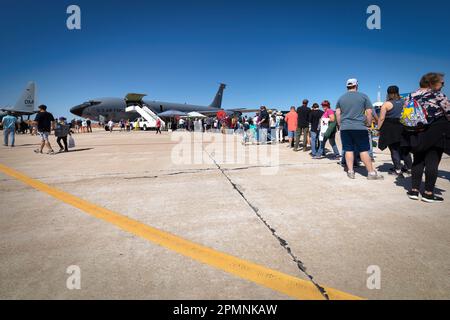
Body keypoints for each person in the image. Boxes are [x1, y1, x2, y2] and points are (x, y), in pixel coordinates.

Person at [403, 73, 450, 203]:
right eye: (442, 83)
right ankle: (428, 193)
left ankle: (414, 190)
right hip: (436, 131)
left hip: (416, 131)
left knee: (418, 160)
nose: (442, 85)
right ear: (432, 83)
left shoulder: (410, 96)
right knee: (432, 161)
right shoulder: (437, 95)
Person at [336, 79, 383, 180]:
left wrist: (340, 125)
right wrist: (369, 123)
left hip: (345, 128)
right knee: (363, 150)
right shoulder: (363, 96)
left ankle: (350, 172)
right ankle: (371, 173)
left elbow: (338, 113)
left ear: (347, 86)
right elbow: (369, 112)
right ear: (356, 85)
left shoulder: (341, 98)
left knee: (348, 149)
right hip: (360, 127)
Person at [378, 86, 412, 177]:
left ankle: (397, 170)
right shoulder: (404, 102)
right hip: (403, 127)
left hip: (391, 128)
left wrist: (378, 128)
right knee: (405, 149)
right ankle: (409, 168)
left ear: (388, 93)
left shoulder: (386, 104)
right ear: (398, 92)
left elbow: (381, 118)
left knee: (394, 149)